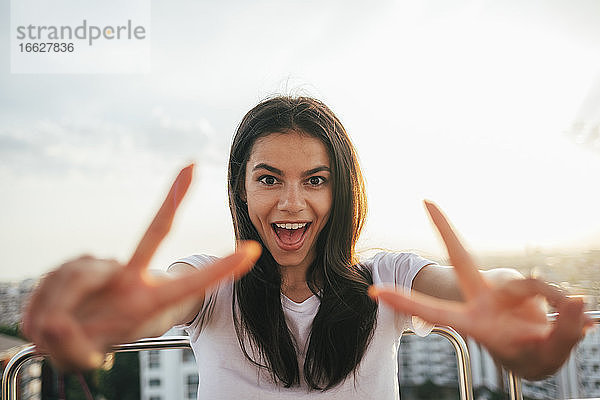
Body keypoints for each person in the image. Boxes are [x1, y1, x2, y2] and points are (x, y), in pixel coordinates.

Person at [22, 96, 592, 399]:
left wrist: (510, 303)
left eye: (315, 180)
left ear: (342, 189)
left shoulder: (389, 276)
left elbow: (468, 286)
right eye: (269, 179)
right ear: (241, 191)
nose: (292, 204)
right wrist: (109, 308)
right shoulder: (210, 283)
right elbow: (161, 296)